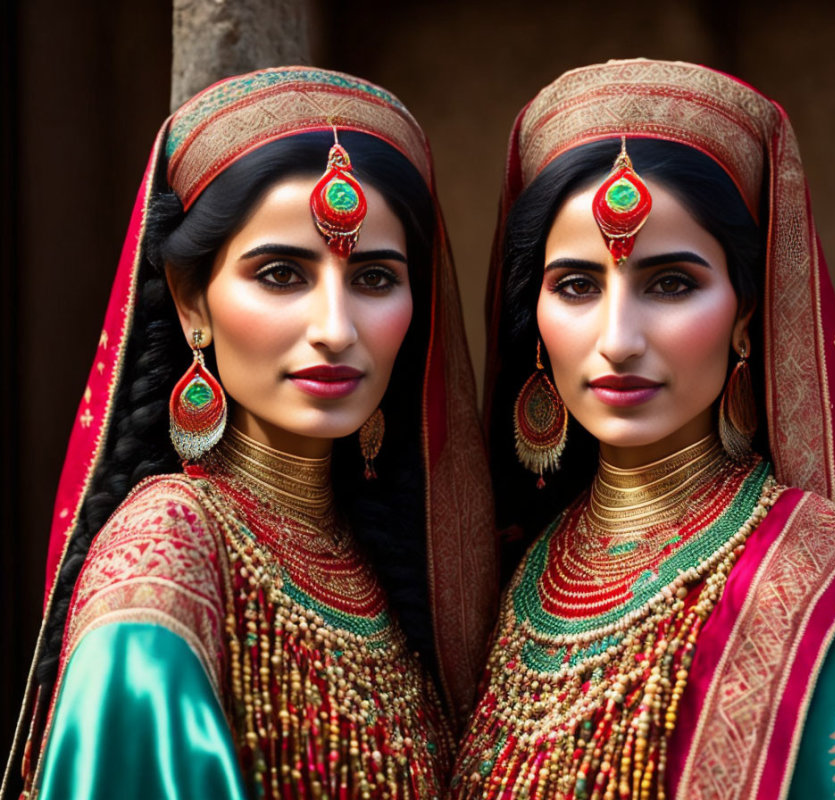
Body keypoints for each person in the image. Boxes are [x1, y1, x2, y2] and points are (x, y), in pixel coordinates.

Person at [452, 59, 835, 799]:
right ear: (531, 319)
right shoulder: (522, 578)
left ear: (746, 316)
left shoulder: (824, 587)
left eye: (671, 284)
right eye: (576, 285)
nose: (619, 338)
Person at [3, 66, 496, 800]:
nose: (335, 330)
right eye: (280, 275)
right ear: (191, 301)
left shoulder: (378, 571)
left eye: (374, 279)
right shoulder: (167, 555)